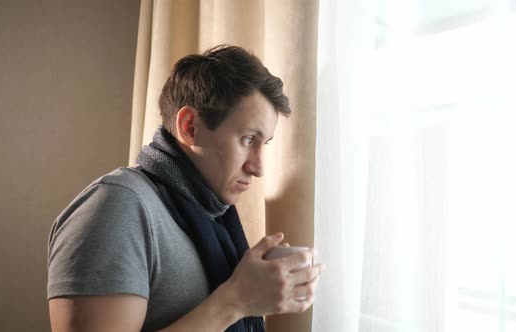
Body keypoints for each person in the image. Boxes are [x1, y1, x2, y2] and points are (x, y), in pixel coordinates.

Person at [47, 45, 325, 332]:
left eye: (262, 144)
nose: (257, 167)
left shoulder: (213, 217)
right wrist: (236, 301)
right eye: (247, 139)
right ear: (190, 127)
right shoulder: (118, 207)